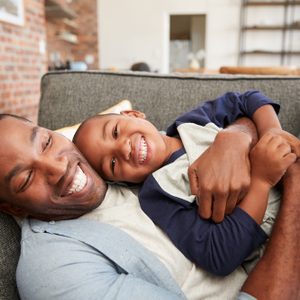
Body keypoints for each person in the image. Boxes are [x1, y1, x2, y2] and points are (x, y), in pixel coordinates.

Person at [0, 112, 298, 299]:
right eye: (26, 179)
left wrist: (233, 139)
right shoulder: (55, 270)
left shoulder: (110, 157)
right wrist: (295, 187)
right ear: (13, 207)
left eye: (46, 143)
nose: (58, 167)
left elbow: (235, 109)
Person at [73, 91, 299, 276]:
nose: (123, 148)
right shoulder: (157, 196)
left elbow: (248, 99)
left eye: (115, 131)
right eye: (112, 163)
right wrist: (260, 181)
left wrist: (273, 134)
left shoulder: (193, 122)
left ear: (134, 114)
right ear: (119, 182)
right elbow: (219, 255)